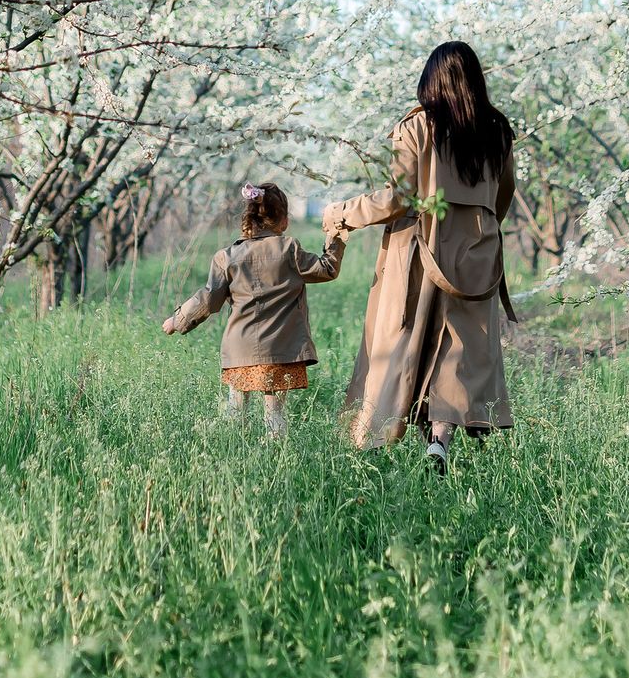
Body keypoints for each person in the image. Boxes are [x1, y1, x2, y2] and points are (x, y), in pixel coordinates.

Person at [327, 41, 516, 470]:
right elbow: (503, 196)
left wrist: (343, 213)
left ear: (431, 80)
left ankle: (382, 433)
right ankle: (439, 440)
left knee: (406, 341)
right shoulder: (498, 131)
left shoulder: (418, 127)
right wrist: (480, 232)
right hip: (477, 255)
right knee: (459, 349)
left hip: (420, 251)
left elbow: (399, 197)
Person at [162, 180, 344, 437]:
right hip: (280, 350)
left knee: (235, 412)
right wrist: (335, 235)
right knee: (275, 415)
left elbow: (209, 298)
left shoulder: (227, 256)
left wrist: (177, 320)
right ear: (282, 219)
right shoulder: (289, 249)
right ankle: (275, 463)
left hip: (240, 348)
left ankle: (234, 456)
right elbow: (327, 269)